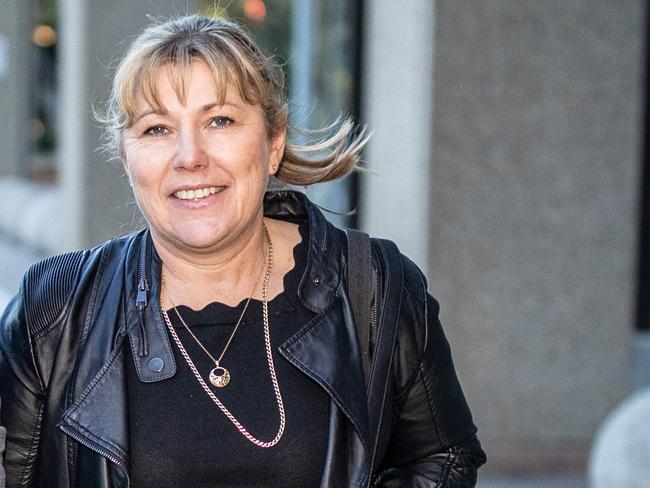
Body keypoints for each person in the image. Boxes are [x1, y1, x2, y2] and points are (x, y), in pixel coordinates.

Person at [0, 14, 486, 488]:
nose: (190, 156)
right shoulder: (55, 308)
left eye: (220, 120)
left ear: (273, 142)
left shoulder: (376, 287)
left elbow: (443, 455)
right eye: (157, 129)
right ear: (126, 156)